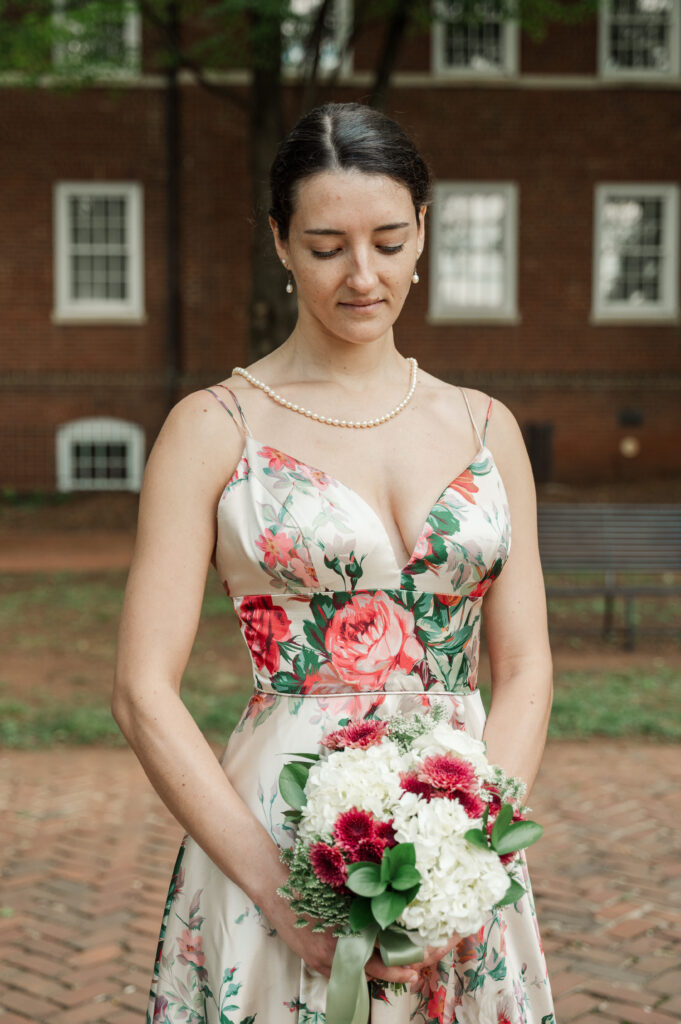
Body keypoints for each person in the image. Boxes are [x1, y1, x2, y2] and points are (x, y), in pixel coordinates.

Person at [113, 102, 555, 1024]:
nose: (363, 276)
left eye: (389, 241)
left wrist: (467, 862)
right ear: (280, 242)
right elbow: (141, 690)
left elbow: (523, 668)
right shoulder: (211, 428)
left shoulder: (484, 426)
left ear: (423, 230)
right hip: (276, 841)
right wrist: (282, 893)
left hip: (456, 851)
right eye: (325, 247)